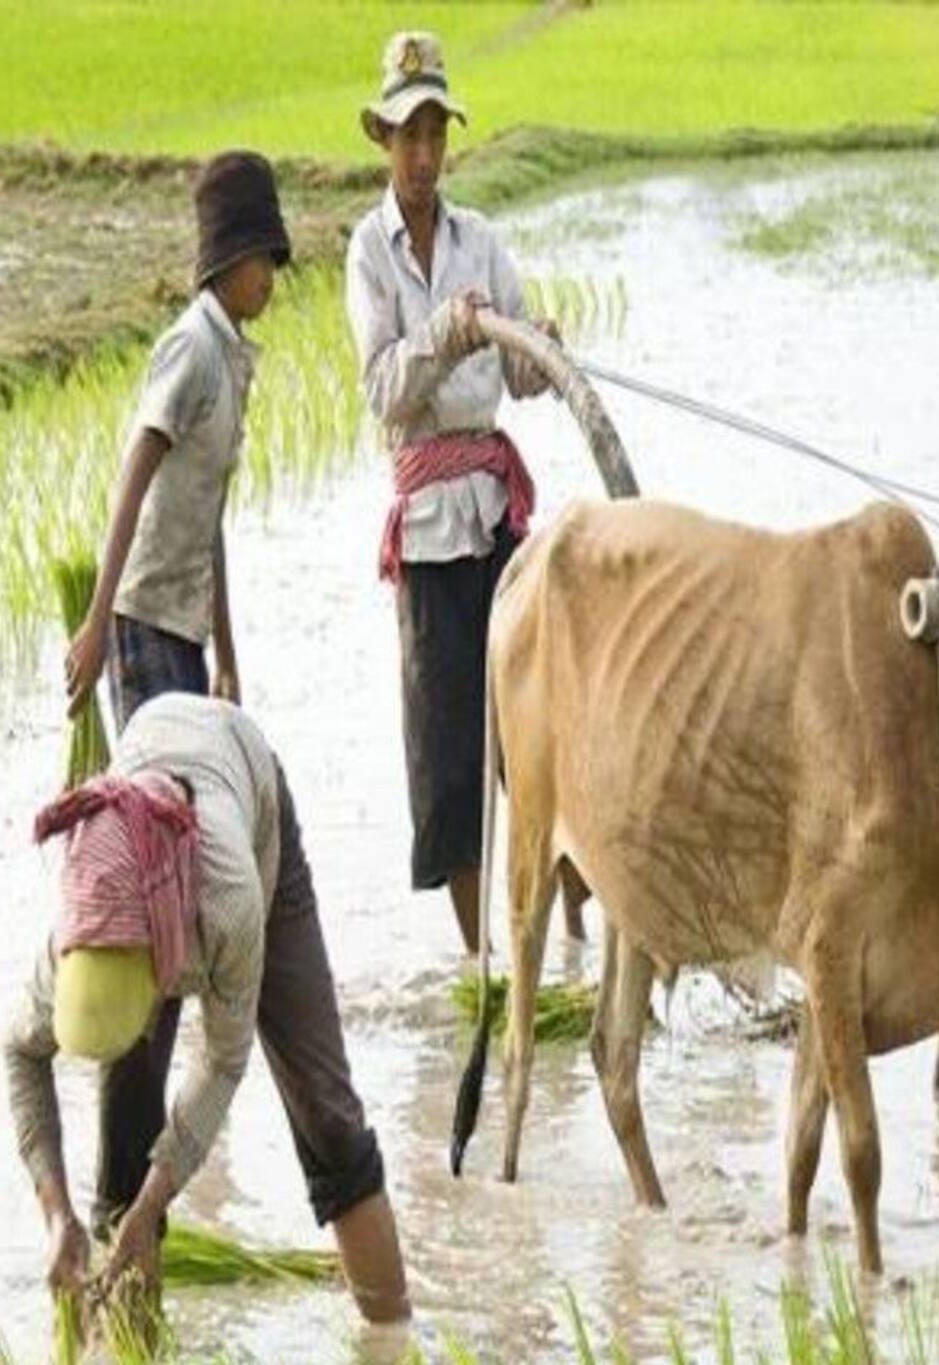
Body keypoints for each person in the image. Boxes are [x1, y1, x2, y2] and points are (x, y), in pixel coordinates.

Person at [4, 693, 410, 1328]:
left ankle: (392, 1338)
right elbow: (20, 1052)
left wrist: (154, 1206)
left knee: (326, 1115)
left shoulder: (229, 902)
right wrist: (57, 1214)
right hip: (147, 800)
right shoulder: (78, 930)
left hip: (247, 799)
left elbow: (222, 1063)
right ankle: (133, 1338)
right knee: (124, 1142)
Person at [344, 30, 572, 953]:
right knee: (448, 757)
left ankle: (560, 937)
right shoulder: (370, 252)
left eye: (436, 133)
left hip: (498, 518)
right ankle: (483, 958)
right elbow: (383, 390)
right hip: (431, 535)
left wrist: (541, 348)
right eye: (410, 135)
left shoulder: (480, 239)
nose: (425, 154)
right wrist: (443, 332)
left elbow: (518, 375)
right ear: (385, 140)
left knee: (537, 728)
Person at [63, 149, 291, 731]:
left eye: (273, 259)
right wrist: (96, 626)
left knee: (190, 784)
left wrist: (227, 657)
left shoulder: (231, 357)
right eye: (257, 258)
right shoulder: (193, 348)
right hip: (144, 620)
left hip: (184, 625)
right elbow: (133, 480)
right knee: (163, 786)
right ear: (225, 259)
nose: (268, 276)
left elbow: (206, 520)